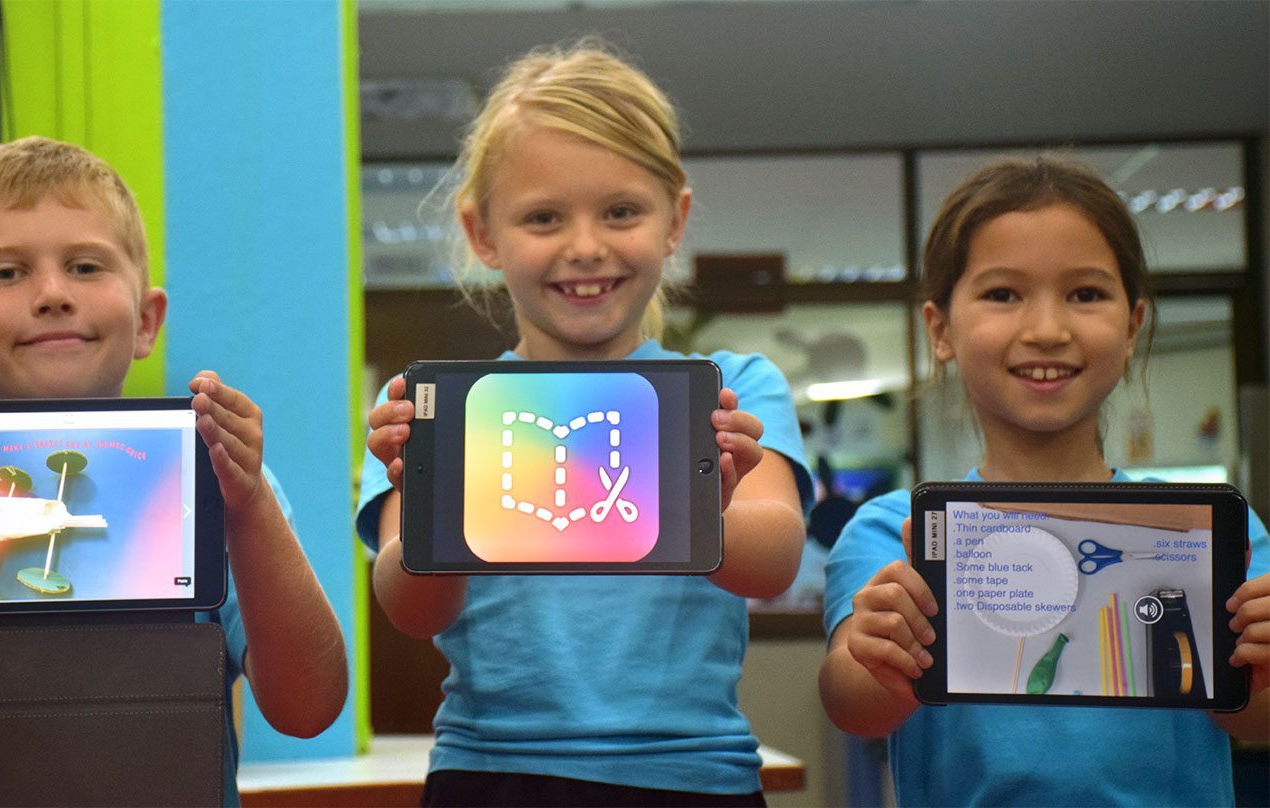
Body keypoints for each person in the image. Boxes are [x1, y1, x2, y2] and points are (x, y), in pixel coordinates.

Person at [0, 136, 349, 807]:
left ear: (147, 319)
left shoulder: (219, 487)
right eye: (6, 273)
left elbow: (309, 710)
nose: (53, 294)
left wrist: (252, 513)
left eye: (87, 266)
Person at [360, 41, 812, 806]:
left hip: (693, 774)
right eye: (543, 217)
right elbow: (411, 608)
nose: (585, 247)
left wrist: (710, 499)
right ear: (483, 235)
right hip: (491, 772)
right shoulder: (440, 408)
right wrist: (440, 506)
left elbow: (773, 561)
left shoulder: (731, 390)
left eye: (621, 211)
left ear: (676, 220)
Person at [818, 155, 1270, 805]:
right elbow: (851, 706)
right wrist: (881, 655)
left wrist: (1257, 672)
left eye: (1086, 294)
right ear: (939, 329)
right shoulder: (898, 531)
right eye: (1003, 294)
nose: (1047, 330)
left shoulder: (1207, 528)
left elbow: (1254, 718)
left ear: (1133, 326)